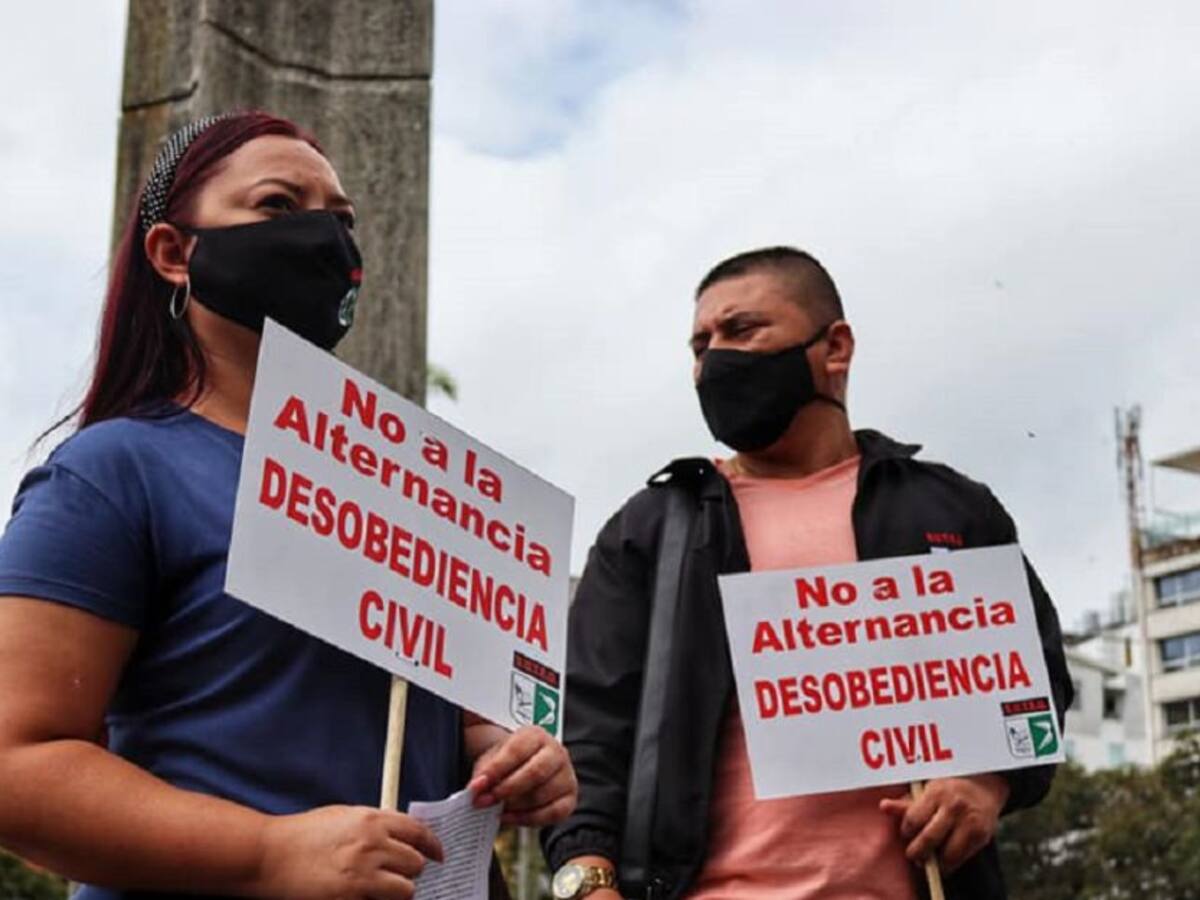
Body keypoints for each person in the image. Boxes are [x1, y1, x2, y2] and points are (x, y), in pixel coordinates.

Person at [0, 111, 575, 900]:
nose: (324, 237)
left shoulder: (413, 491)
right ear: (175, 253)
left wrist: (503, 755)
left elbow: (458, 717)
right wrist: (265, 853)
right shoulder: (115, 470)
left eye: (342, 219)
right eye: (278, 205)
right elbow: (15, 763)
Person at [542, 247, 1072, 900]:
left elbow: (1035, 684)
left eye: (741, 331)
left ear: (835, 347)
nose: (714, 361)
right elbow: (590, 733)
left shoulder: (951, 511)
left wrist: (989, 781)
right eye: (700, 345)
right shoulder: (653, 530)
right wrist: (589, 881)